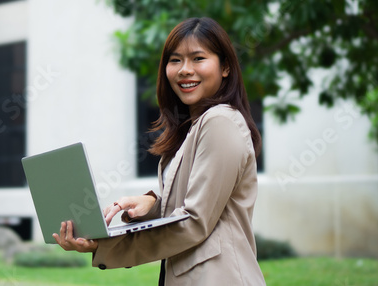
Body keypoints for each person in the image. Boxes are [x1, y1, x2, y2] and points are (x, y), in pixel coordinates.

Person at [52, 17, 266, 285]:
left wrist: (104, 246)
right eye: (175, 60)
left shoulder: (220, 122)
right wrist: (154, 204)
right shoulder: (194, 127)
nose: (184, 70)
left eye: (198, 58)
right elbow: (198, 201)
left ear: (225, 67)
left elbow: (195, 221)